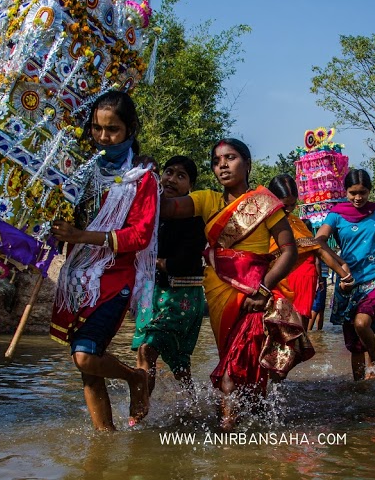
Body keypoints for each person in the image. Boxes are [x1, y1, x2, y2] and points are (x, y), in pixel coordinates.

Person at [160, 138, 307, 429]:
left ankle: (228, 440)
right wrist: (137, 179)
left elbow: (289, 251)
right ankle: (256, 431)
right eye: (216, 161)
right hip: (218, 291)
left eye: (230, 158)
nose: (223, 165)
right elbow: (167, 208)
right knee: (236, 361)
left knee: (231, 371)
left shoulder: (266, 203)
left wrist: (263, 289)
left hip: (254, 294)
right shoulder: (207, 200)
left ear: (248, 164)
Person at [49, 89, 156, 430]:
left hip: (113, 279)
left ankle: (134, 377)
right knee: (87, 366)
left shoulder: (143, 180)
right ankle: (104, 443)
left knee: (86, 356)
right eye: (97, 128)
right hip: (76, 277)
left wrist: (82, 236)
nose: (103, 137)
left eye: (112, 129)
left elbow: (139, 236)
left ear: (130, 129)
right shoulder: (81, 173)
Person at [316, 169, 375, 380]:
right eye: (353, 193)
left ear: (369, 191)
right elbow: (319, 240)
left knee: (361, 324)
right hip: (348, 282)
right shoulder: (337, 214)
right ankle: (359, 388)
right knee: (354, 344)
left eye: (363, 192)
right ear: (346, 191)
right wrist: (340, 265)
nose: (358, 198)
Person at [132, 156, 207, 391]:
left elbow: (180, 263)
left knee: (148, 349)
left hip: (181, 296)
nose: (172, 179)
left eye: (181, 176)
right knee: (175, 364)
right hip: (151, 295)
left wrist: (148, 260)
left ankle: (139, 414)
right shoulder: (150, 211)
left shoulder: (195, 218)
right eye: (168, 172)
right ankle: (192, 406)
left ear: (190, 187)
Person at [267, 174, 353, 329]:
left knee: (298, 333)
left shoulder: (296, 222)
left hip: (302, 280)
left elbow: (318, 248)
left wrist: (344, 272)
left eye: (292, 205)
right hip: (273, 281)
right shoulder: (260, 222)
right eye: (284, 205)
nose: (288, 210)